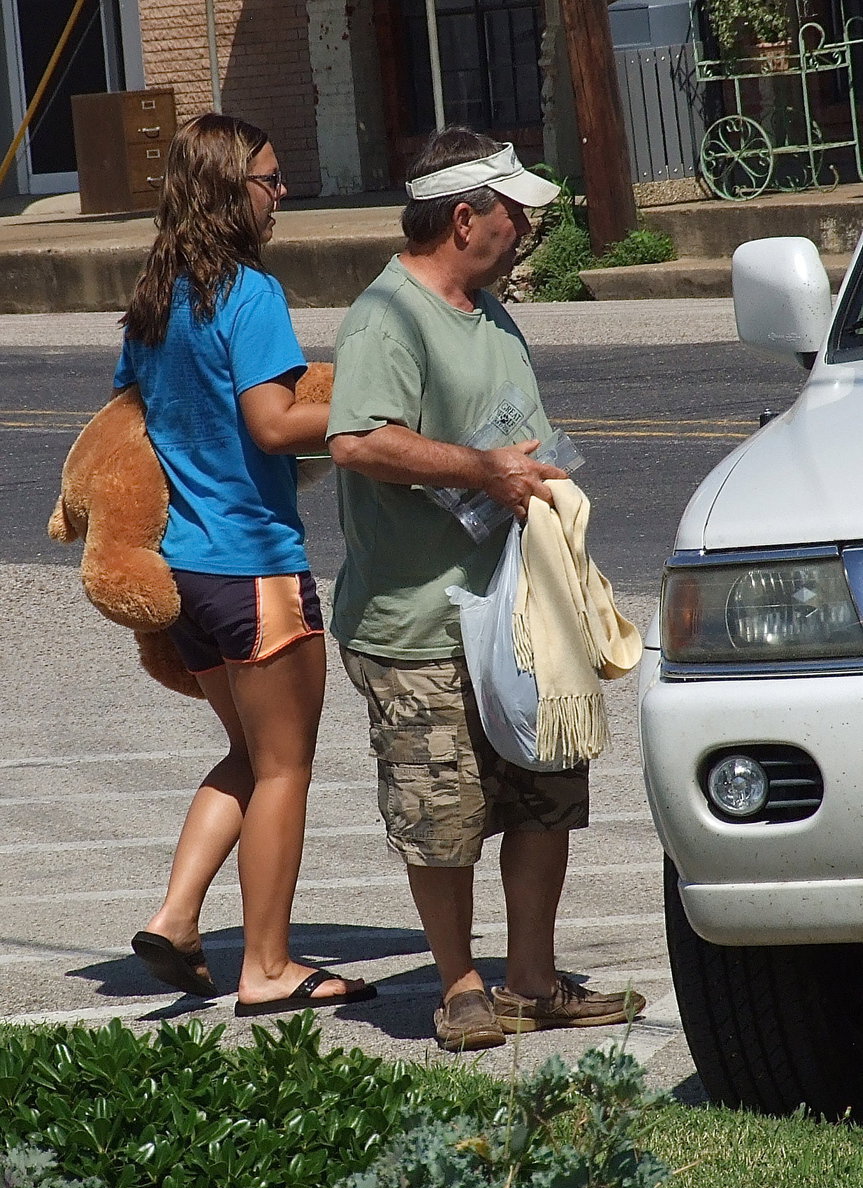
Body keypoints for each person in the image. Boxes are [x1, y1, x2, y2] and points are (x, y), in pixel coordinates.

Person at [327, 126, 645, 1050]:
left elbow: (518, 436)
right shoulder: (386, 317)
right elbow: (357, 440)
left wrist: (540, 485)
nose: (524, 228)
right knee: (443, 813)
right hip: (418, 622)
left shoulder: (490, 311)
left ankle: (532, 980)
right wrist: (481, 470)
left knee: (546, 788)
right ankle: (461, 986)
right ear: (463, 218)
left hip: (516, 610)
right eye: (512, 212)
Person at [117, 112, 375, 1017]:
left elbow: (130, 426)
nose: (281, 192)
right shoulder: (251, 293)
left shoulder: (154, 300)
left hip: (185, 571)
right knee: (284, 769)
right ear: (230, 191)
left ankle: (176, 917)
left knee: (248, 753)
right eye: (268, 179)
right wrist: (377, 406)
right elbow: (273, 424)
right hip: (255, 565)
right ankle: (266, 966)